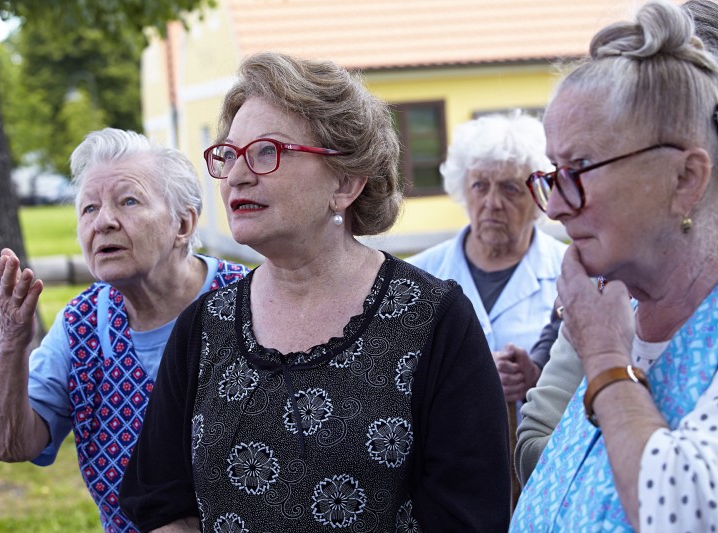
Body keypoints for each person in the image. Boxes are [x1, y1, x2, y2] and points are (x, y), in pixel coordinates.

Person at [119, 51, 511, 532]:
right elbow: (160, 500)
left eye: (268, 151)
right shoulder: (205, 327)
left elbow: (471, 514)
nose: (238, 175)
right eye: (229, 154)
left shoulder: (433, 320)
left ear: (345, 182)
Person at [510, 1, 718, 530]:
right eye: (554, 174)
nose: (555, 206)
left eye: (579, 168)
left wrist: (604, 355)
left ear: (685, 179)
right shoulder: (612, 307)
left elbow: (681, 512)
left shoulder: (604, 333)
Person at [0, 128, 249, 533]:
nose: (103, 222)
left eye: (128, 201)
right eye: (88, 209)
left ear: (183, 223)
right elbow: (8, 444)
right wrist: (12, 341)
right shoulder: (81, 325)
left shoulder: (248, 303)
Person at [407, 112, 567, 404]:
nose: (492, 203)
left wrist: (535, 376)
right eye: (480, 185)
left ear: (537, 200)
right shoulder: (416, 276)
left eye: (510, 188)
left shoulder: (570, 272)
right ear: (463, 190)